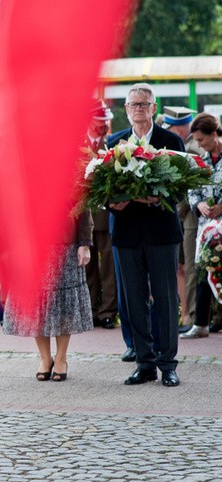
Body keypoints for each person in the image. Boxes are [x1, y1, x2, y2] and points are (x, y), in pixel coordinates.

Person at [108, 83, 184, 387]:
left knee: (165, 299)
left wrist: (160, 198)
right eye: (133, 104)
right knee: (134, 299)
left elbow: (181, 185)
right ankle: (144, 362)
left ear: (153, 108)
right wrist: (113, 203)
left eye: (144, 104)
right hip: (126, 232)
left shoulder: (170, 142)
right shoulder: (114, 142)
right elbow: (103, 187)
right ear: (125, 110)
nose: (138, 109)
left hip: (162, 230)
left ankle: (168, 365)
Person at [3, 178, 94, 382]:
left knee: (64, 304)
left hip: (65, 244)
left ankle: (61, 358)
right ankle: (45, 358)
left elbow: (83, 206)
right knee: (37, 305)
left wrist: (85, 243)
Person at [180, 112, 222, 339]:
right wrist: (200, 204)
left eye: (202, 140)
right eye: (196, 141)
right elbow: (191, 190)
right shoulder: (201, 161)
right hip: (206, 227)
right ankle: (201, 324)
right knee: (202, 272)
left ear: (214, 134)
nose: (199, 144)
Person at [160, 106, 201, 333]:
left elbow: (189, 187)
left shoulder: (192, 149)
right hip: (180, 214)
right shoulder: (177, 146)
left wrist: (177, 212)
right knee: (181, 268)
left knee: (191, 267)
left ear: (184, 127)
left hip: (189, 216)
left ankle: (192, 317)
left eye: (174, 128)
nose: (171, 132)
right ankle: (185, 314)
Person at [85, 100, 118, 330]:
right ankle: (90, 309)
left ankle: (107, 312)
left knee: (108, 265)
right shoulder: (76, 144)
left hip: (107, 213)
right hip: (84, 214)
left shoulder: (114, 144)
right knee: (87, 266)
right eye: (100, 121)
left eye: (106, 121)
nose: (104, 125)